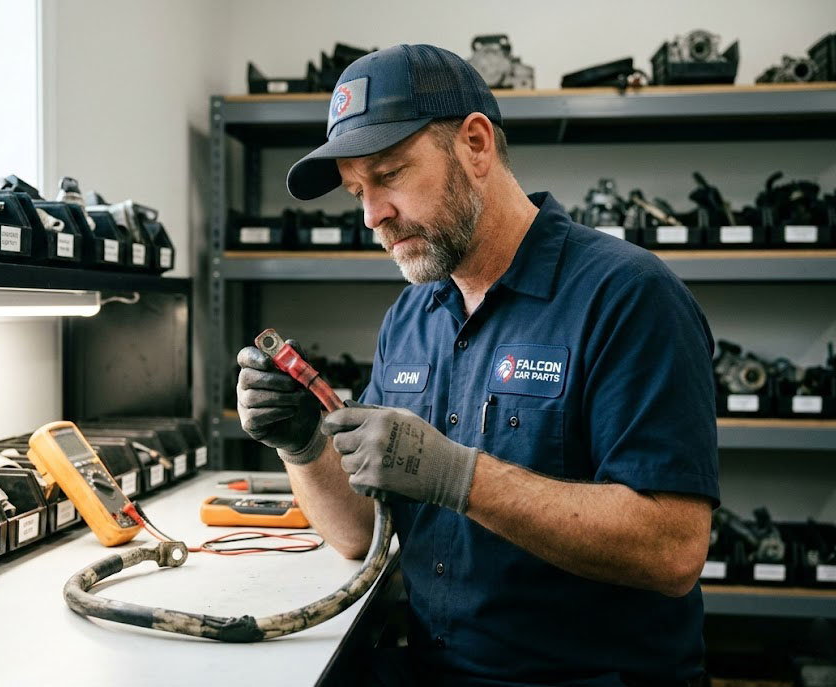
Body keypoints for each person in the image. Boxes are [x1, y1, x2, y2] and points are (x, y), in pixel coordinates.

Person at [236, 44, 719, 687]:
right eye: (357, 190)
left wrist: (458, 477)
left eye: (390, 175)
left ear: (475, 145)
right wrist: (300, 445)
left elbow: (673, 549)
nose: (371, 215)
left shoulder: (627, 296)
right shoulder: (410, 319)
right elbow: (360, 535)